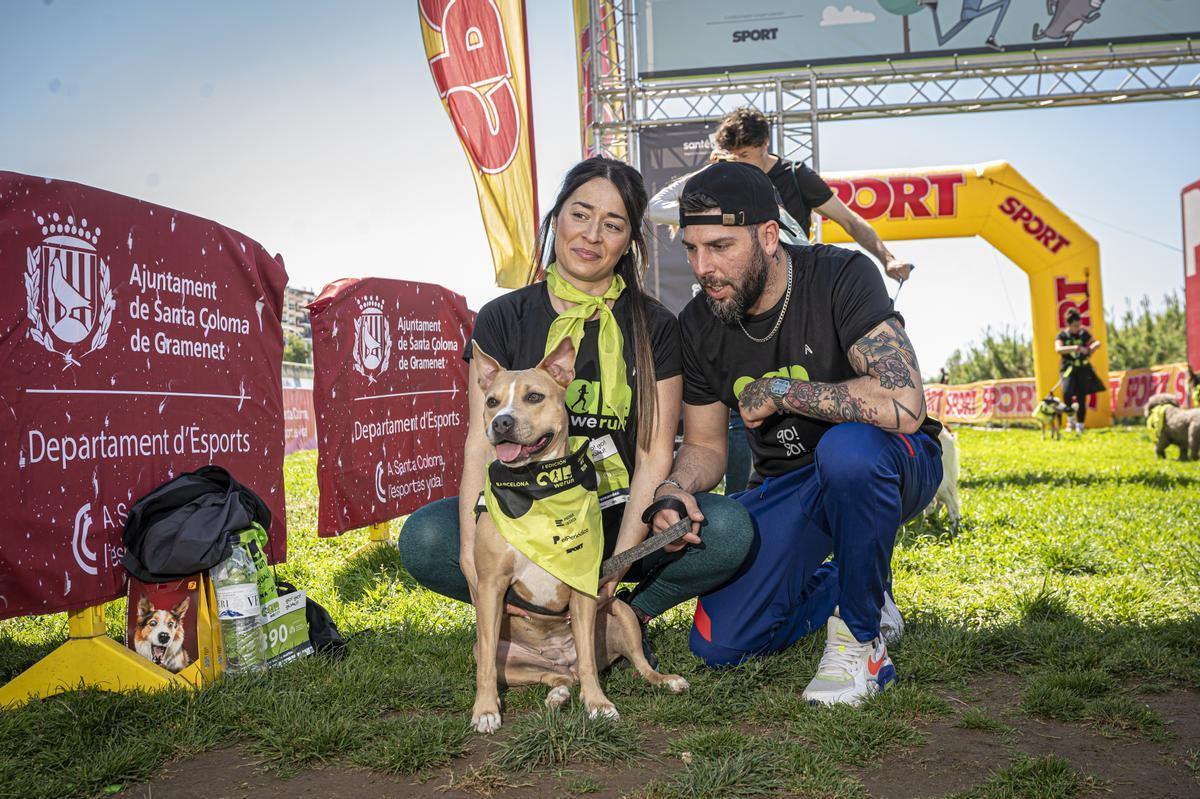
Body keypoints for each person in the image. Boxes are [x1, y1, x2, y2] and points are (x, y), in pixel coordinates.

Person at [399, 157, 754, 664]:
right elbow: (481, 442)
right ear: (556, 218)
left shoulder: (655, 326)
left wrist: (613, 565)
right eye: (580, 215)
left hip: (613, 517)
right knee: (428, 537)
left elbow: (655, 453)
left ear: (629, 240)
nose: (591, 236)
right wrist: (470, 545)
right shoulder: (503, 316)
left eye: (612, 225)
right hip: (521, 517)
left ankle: (623, 613)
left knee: (728, 531)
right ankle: (531, 612)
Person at [651, 161, 943, 705]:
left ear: (767, 236)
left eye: (719, 246)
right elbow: (707, 447)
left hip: (892, 461)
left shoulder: (840, 275)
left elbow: (904, 403)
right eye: (691, 249)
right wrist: (676, 487)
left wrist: (783, 392)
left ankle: (861, 642)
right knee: (721, 645)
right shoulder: (697, 323)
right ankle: (858, 586)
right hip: (791, 485)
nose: (702, 267)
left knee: (848, 451)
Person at [1055, 308, 1104, 435]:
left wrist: (1091, 348)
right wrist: (1075, 348)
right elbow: (1058, 349)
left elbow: (1096, 342)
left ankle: (1080, 425)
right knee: (1067, 392)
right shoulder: (1062, 336)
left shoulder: (1083, 334)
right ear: (1069, 325)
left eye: (1079, 324)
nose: (1078, 327)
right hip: (1068, 368)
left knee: (1082, 396)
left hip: (1082, 368)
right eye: (1075, 325)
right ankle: (1070, 421)